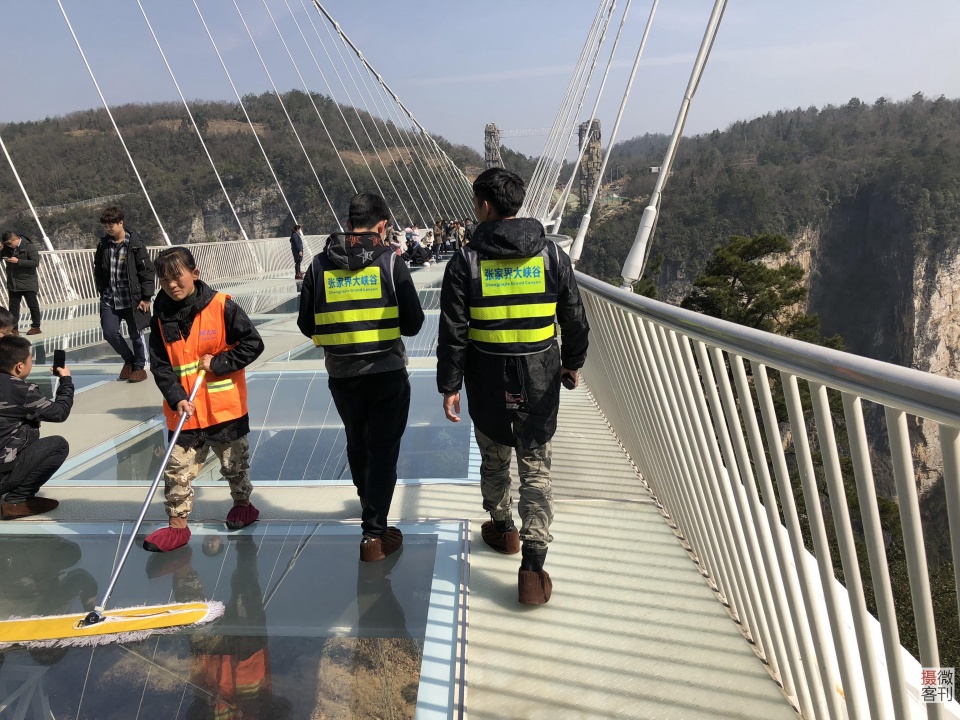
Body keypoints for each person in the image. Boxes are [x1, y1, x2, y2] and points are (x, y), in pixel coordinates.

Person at [437, 168, 589, 605]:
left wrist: (450, 385)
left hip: (485, 379)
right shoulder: (552, 257)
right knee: (536, 468)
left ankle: (503, 530)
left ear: (485, 206)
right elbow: (575, 318)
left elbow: (454, 332)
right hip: (540, 375)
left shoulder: (465, 262)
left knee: (494, 458)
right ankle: (533, 567)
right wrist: (572, 363)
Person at [297, 193, 424, 562]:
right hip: (386, 373)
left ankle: (369, 506)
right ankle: (373, 534)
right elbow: (414, 325)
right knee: (384, 451)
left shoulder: (318, 266)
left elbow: (307, 324)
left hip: (342, 375)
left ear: (348, 221)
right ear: (382, 225)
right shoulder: (390, 262)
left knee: (358, 441)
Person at [144, 246, 265, 553]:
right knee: (177, 471)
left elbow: (252, 343)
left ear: (194, 274)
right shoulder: (159, 319)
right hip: (185, 412)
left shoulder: (222, 306)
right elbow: (160, 365)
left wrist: (219, 364)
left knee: (234, 465)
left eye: (177, 276)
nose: (172, 284)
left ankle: (243, 506)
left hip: (225, 410)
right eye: (164, 279)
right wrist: (176, 398)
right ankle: (177, 528)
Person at [0, 335, 73, 520]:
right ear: (19, 366)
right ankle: (16, 501)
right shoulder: (21, 390)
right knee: (58, 445)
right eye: (29, 360)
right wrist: (65, 380)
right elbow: (59, 413)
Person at [93, 207, 155, 382]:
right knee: (109, 332)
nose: (108, 228)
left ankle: (140, 367)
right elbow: (98, 269)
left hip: (132, 298)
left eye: (111, 224)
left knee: (136, 334)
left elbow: (147, 271)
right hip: (110, 298)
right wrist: (101, 289)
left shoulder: (135, 245)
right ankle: (129, 360)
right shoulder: (103, 245)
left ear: (121, 222)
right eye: (106, 225)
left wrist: (146, 297)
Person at [1, 231, 42, 336]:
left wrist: (18, 261)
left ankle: (36, 327)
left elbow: (35, 262)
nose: (9, 246)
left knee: (33, 306)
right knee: (13, 307)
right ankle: (14, 328)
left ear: (16, 239)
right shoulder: (7, 248)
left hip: (28, 282)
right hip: (13, 283)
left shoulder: (29, 246)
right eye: (7, 244)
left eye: (10, 244)